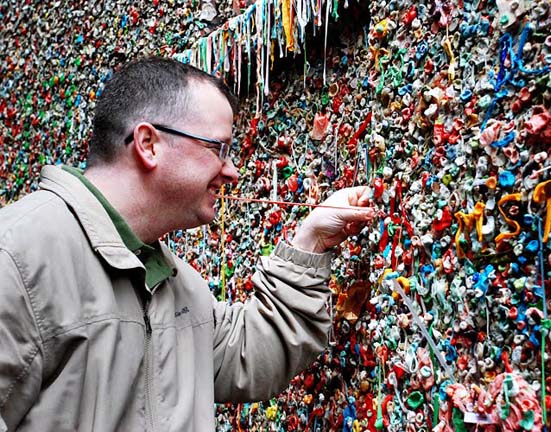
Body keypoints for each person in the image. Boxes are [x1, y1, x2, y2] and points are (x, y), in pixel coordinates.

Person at [0, 57, 374, 431]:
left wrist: (310, 242)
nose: (232, 171)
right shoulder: (18, 257)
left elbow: (246, 354)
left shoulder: (174, 281)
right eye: (218, 149)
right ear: (148, 144)